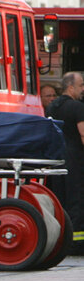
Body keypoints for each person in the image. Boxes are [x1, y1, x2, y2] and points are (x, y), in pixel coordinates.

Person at [46, 71, 84, 254]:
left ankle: (60, 240)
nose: (83, 89)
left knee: (59, 200)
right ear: (71, 87)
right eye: (81, 85)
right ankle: (76, 243)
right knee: (76, 200)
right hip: (75, 159)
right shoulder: (78, 107)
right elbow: (83, 134)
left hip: (56, 159)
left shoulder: (52, 106)